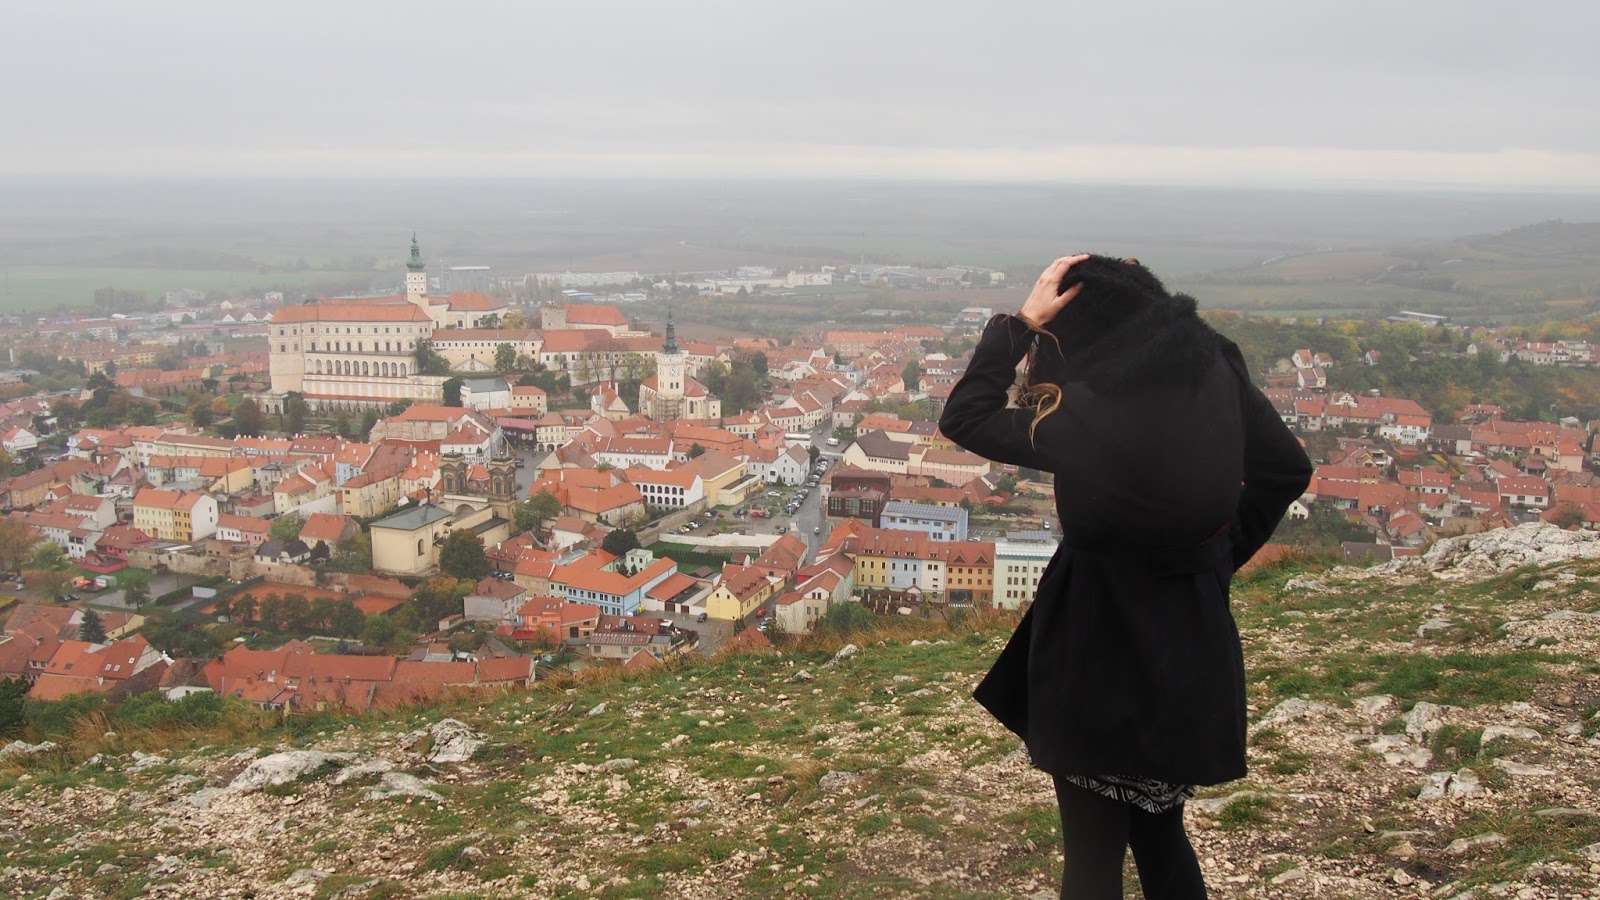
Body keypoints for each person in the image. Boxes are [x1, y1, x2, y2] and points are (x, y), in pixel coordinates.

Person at [937, 255, 1312, 899]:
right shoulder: (1215, 365)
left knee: (1091, 853)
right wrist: (1216, 558)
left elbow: (967, 416)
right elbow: (1286, 470)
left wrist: (1020, 324)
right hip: (1189, 633)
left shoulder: (1091, 407)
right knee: (1162, 836)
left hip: (1095, 637)